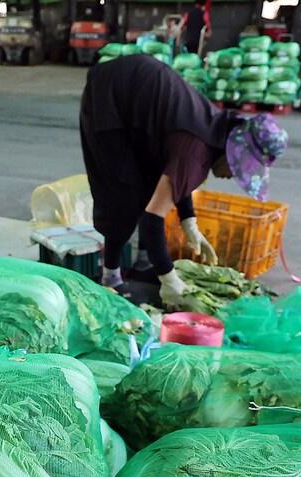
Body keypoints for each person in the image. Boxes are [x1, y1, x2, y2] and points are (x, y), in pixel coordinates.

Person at [80, 54, 288, 305]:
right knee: (122, 190)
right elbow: (152, 219)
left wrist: (189, 221)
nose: (233, 174)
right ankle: (110, 277)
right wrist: (170, 279)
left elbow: (176, 174)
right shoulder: (196, 149)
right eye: (239, 167)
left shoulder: (217, 129)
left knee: (152, 183)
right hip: (110, 97)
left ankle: (144, 262)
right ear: (233, 150)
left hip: (140, 99)